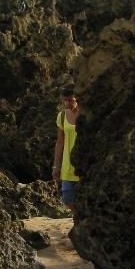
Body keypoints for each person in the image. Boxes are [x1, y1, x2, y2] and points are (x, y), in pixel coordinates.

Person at [52, 83, 80, 212]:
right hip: (67, 166)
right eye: (65, 100)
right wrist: (56, 166)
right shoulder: (61, 116)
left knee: (86, 198)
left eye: (71, 100)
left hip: (83, 165)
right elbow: (59, 142)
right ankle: (79, 217)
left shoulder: (85, 114)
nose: (67, 103)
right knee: (67, 198)